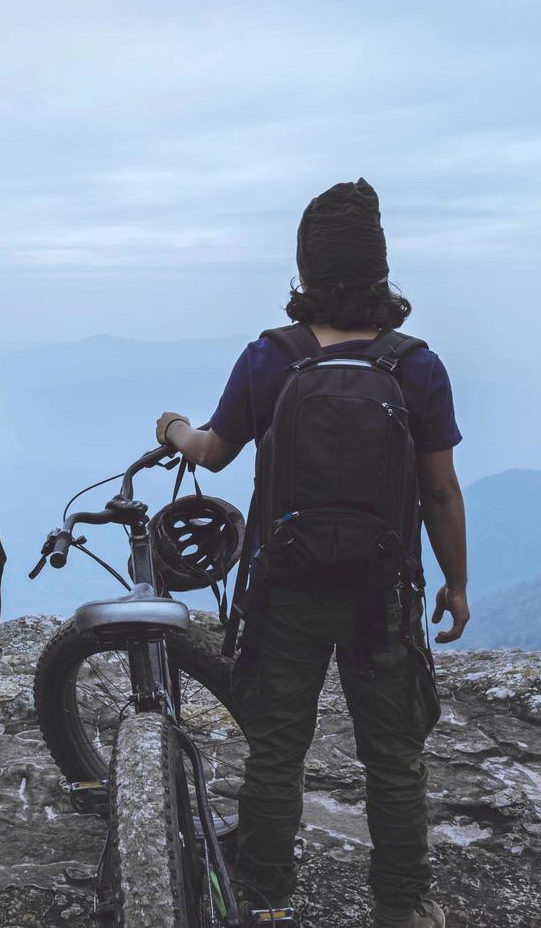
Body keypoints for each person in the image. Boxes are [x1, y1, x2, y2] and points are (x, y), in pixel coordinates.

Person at [154, 179, 468, 928]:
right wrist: (455, 584)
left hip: (286, 585)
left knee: (276, 749)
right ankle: (402, 908)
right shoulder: (414, 365)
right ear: (381, 270)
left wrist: (172, 430)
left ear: (305, 270)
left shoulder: (272, 358)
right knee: (392, 759)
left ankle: (262, 896)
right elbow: (441, 492)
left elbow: (214, 451)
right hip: (382, 591)